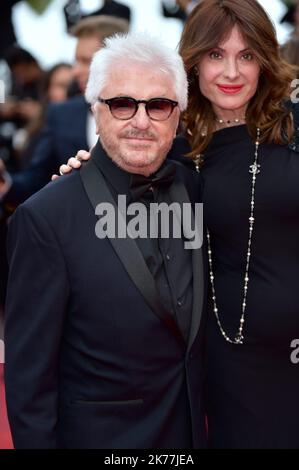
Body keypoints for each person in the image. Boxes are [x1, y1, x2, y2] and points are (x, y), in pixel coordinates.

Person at [61, 0, 299, 449]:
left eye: (246, 55)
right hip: (223, 358)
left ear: (265, 58)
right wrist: (79, 173)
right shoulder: (173, 140)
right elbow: (108, 193)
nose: (231, 71)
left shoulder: (294, 124)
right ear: (193, 58)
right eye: (216, 54)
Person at [4, 33, 207, 449]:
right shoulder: (46, 219)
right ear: (96, 110)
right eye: (122, 103)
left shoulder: (200, 190)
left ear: (178, 116)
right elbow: (29, 386)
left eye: (159, 105)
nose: (141, 120)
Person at [0, 15, 129, 206]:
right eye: (75, 61)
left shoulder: (151, 114)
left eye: (86, 61)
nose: (75, 71)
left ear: (117, 61)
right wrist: (5, 182)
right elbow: (36, 180)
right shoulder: (60, 114)